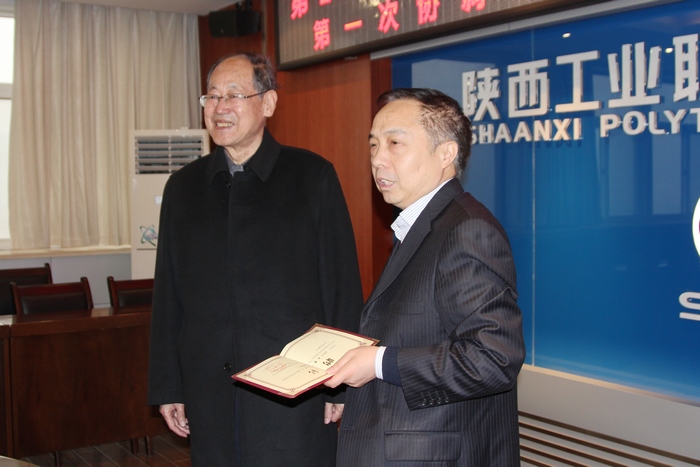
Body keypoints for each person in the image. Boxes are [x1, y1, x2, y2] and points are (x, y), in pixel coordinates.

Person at [147, 52, 364, 466]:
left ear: (268, 103)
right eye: (212, 96)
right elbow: (168, 297)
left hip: (294, 392)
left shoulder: (311, 176)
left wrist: (340, 385)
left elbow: (341, 286)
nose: (220, 107)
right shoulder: (184, 188)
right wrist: (168, 385)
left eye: (234, 95)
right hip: (209, 389)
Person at [324, 88, 526, 466]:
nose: (378, 159)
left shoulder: (466, 231)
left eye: (395, 143)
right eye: (373, 145)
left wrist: (379, 362)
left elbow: (493, 359)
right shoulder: (422, 227)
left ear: (446, 154)